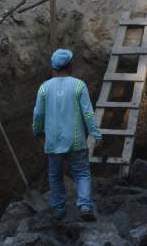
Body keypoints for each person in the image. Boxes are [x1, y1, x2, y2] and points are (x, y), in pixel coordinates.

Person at [32, 49, 102, 221]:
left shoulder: (44, 88)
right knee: (82, 174)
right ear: (70, 65)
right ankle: (85, 205)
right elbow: (88, 113)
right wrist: (95, 133)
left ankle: (58, 209)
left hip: (53, 142)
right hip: (76, 140)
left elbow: (38, 114)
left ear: (54, 67)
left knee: (55, 175)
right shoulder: (79, 85)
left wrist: (37, 130)